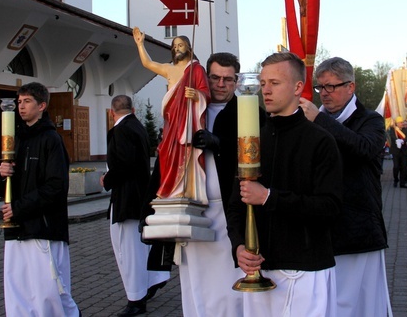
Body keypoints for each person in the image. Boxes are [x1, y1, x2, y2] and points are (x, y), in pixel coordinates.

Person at [227, 51, 343, 316]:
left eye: (275, 83)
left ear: (297, 87)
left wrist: (269, 197)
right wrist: (239, 246)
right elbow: (235, 204)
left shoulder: (321, 141)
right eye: (263, 83)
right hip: (258, 269)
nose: (265, 90)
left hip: (305, 269)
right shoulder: (252, 140)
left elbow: (330, 207)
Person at [299, 57, 392, 316]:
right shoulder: (312, 120)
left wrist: (319, 120)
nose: (325, 93)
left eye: (331, 87)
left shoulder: (370, 120)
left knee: (359, 304)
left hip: (358, 227)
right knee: (328, 304)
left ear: (351, 87)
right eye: (320, 87)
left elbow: (363, 149)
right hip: (322, 228)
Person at [182, 52, 265, 317]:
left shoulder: (249, 109)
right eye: (215, 77)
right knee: (197, 277)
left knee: (225, 281)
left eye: (228, 80)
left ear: (237, 81)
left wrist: (220, 143)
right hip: (193, 207)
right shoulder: (191, 109)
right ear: (206, 76)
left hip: (229, 207)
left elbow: (259, 152)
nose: (221, 84)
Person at [0, 82, 79, 316]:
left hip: (44, 228)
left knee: (49, 293)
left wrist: (19, 208)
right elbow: (4, 188)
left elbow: (56, 187)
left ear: (42, 105)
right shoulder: (15, 138)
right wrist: (1, 175)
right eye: (19, 102)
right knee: (18, 291)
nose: (21, 107)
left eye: (27, 101)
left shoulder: (51, 140)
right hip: (17, 230)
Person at [102, 95, 170, 316]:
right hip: (138, 196)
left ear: (112, 112)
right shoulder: (138, 126)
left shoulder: (121, 130)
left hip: (126, 199)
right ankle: (153, 279)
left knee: (127, 251)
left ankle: (136, 300)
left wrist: (107, 179)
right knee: (139, 248)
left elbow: (124, 164)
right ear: (132, 109)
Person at [133, 28, 210, 202]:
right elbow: (148, 64)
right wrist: (140, 44)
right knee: (167, 152)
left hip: (186, 123)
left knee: (185, 151)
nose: (177, 48)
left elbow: (206, 93)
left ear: (189, 48)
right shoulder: (169, 69)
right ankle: (168, 189)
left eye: (180, 45)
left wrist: (197, 95)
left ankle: (184, 188)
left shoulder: (196, 69)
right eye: (174, 46)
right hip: (171, 122)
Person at [388, 116, 407, 188]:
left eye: (402, 122)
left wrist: (403, 140)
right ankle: (396, 179)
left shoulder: (405, 130)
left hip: (404, 151)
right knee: (396, 166)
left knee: (404, 167)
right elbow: (392, 136)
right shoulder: (393, 129)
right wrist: (396, 140)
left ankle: (402, 183)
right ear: (396, 123)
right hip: (395, 151)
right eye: (400, 122)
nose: (402, 124)